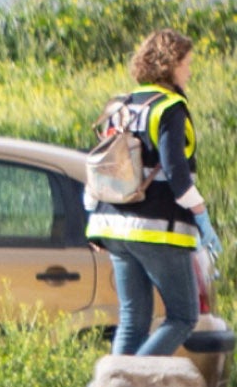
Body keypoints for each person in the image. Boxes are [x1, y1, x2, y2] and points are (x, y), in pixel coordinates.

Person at [85, 28, 219, 355]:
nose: (189, 71)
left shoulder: (120, 105)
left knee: (133, 319)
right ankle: (130, 385)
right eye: (186, 63)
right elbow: (177, 174)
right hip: (156, 228)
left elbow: (98, 166)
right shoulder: (170, 108)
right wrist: (202, 217)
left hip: (110, 224)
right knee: (184, 316)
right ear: (169, 64)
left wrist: (92, 213)